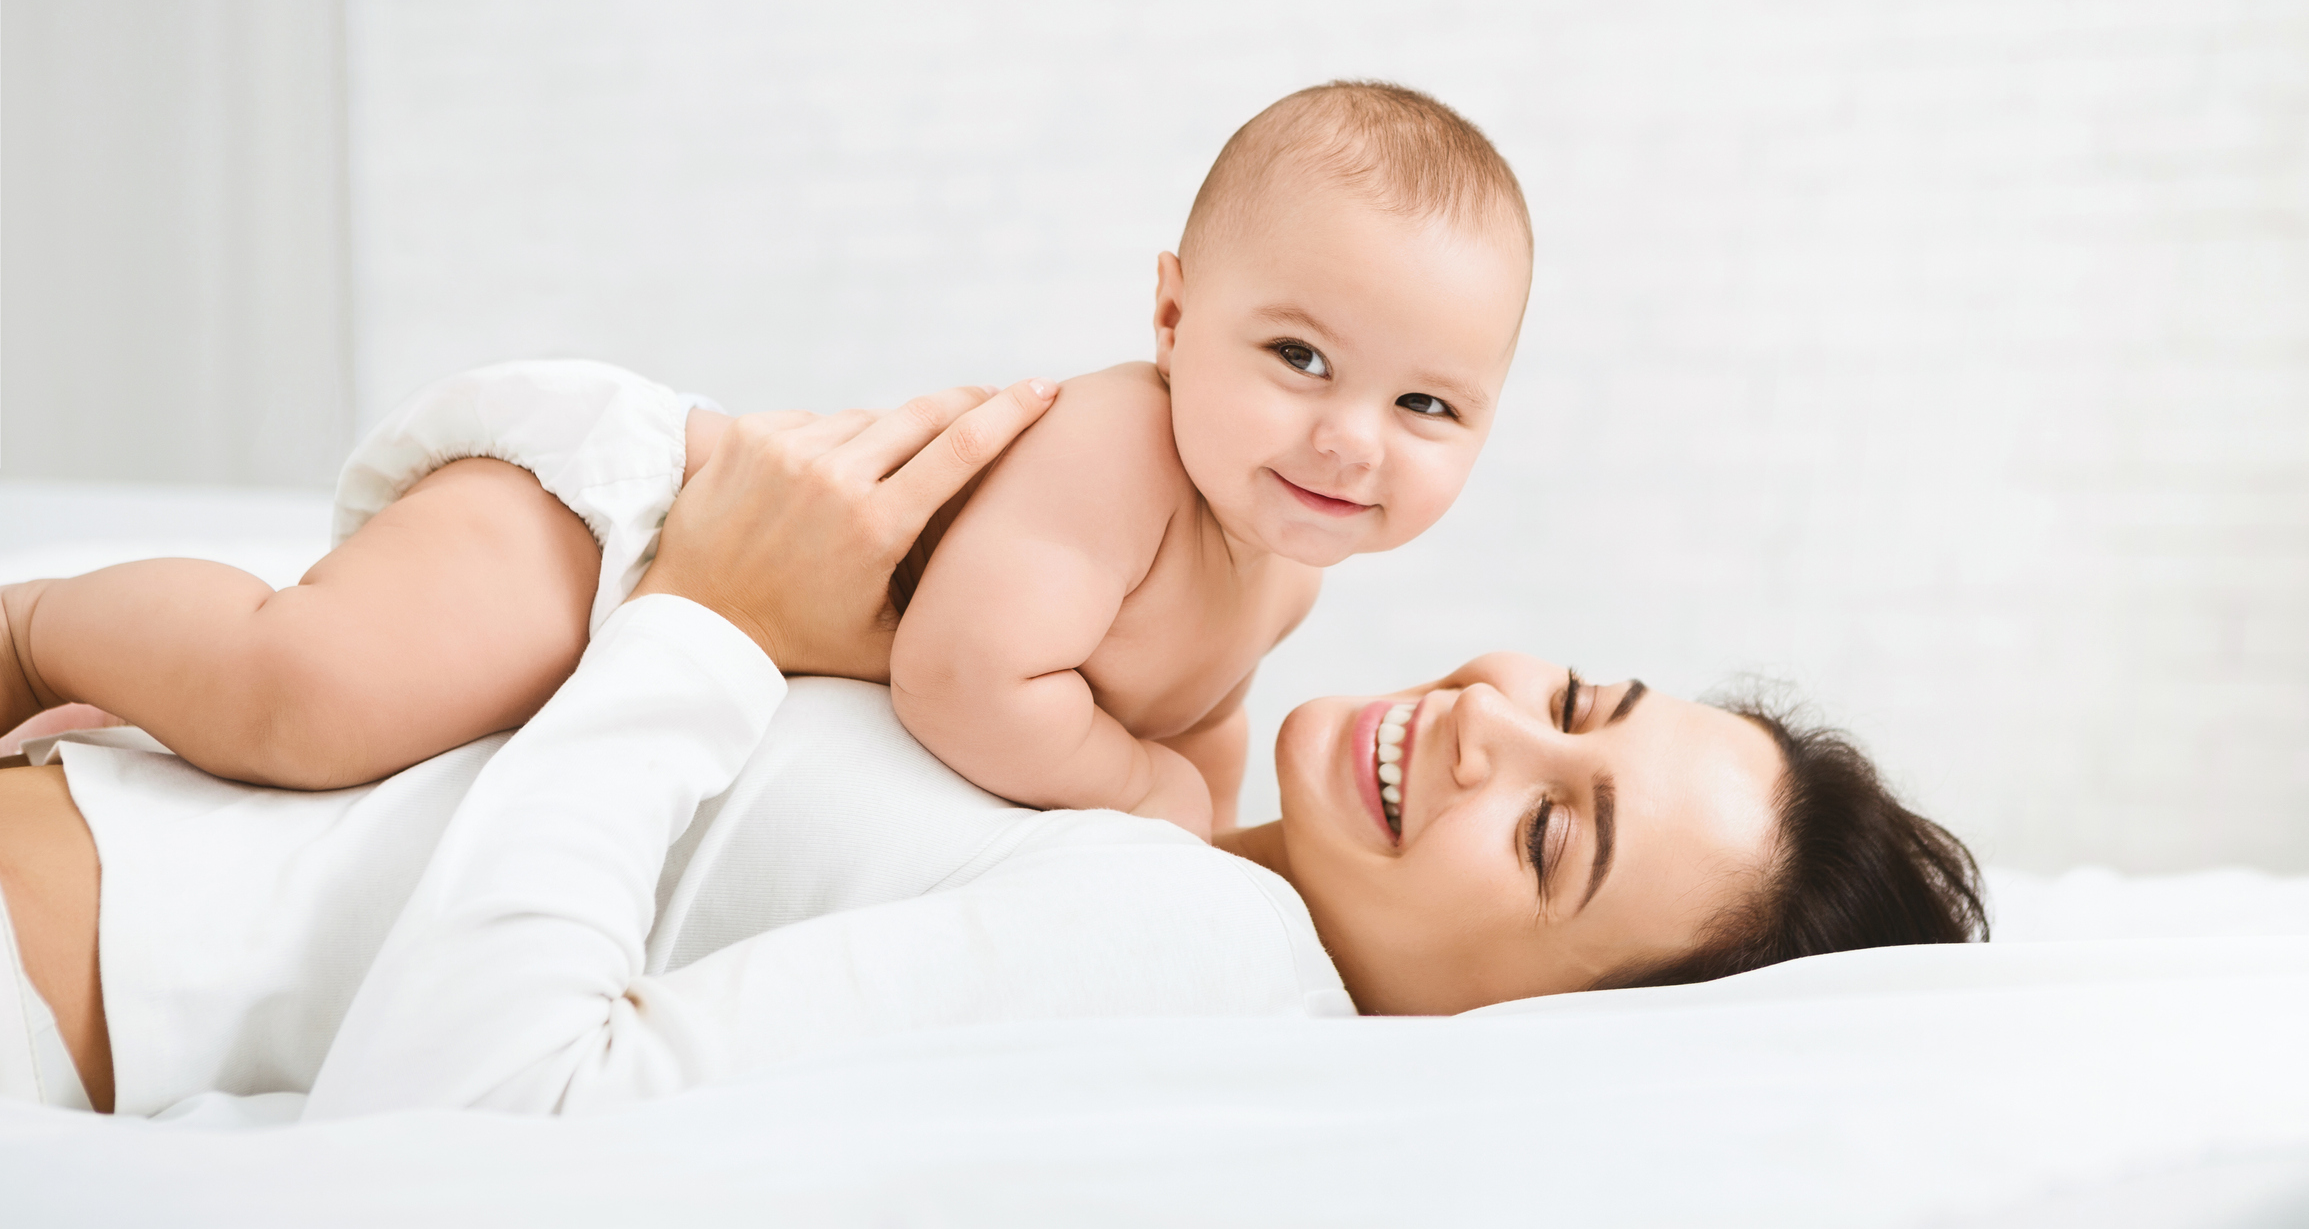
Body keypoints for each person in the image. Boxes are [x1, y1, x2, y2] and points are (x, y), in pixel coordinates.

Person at [0, 384, 1984, 1120]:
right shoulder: (1176, 827)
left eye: (1554, 842)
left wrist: (710, 616)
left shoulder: (1193, 966)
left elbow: (485, 1120)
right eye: (1581, 704)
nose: (1491, 733)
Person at [0, 81, 1534, 837]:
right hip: (623, 529)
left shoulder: (1283, 577)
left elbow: (1196, 726)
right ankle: (32, 625)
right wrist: (1145, 794)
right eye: (1299, 359)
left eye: (1426, 409)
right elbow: (966, 679)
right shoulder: (1122, 447)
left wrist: (1192, 809)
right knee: (315, 696)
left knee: (361, 764)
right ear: (1171, 313)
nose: (1349, 437)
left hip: (695, 622)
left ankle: (118, 692)